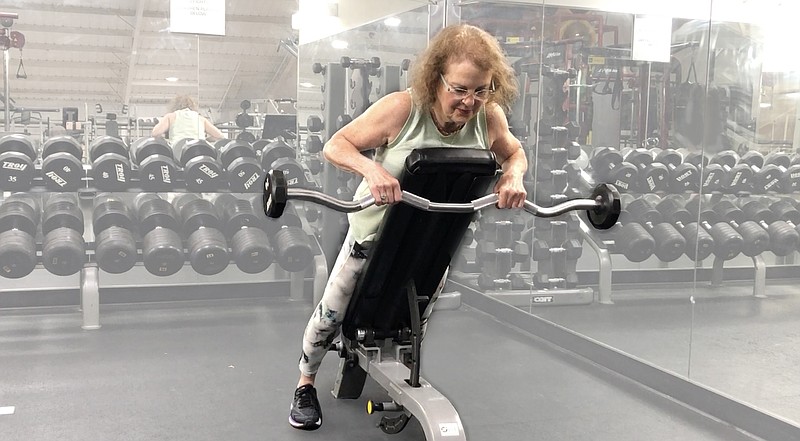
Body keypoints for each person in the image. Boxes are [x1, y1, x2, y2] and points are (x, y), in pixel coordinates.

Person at [289, 24, 528, 431]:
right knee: (331, 315)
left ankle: (399, 382)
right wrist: (372, 169)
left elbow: (514, 152)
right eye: (460, 89)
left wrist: (514, 176)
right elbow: (337, 145)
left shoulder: (489, 116)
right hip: (373, 235)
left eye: (481, 90)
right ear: (436, 78)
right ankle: (305, 383)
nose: (470, 101)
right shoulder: (402, 108)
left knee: (412, 321)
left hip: (435, 236)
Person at [151, 94, 225, 145]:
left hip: (178, 149)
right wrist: (205, 140)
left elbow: (155, 133)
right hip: (199, 148)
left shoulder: (171, 116)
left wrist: (166, 141)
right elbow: (220, 136)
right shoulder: (200, 118)